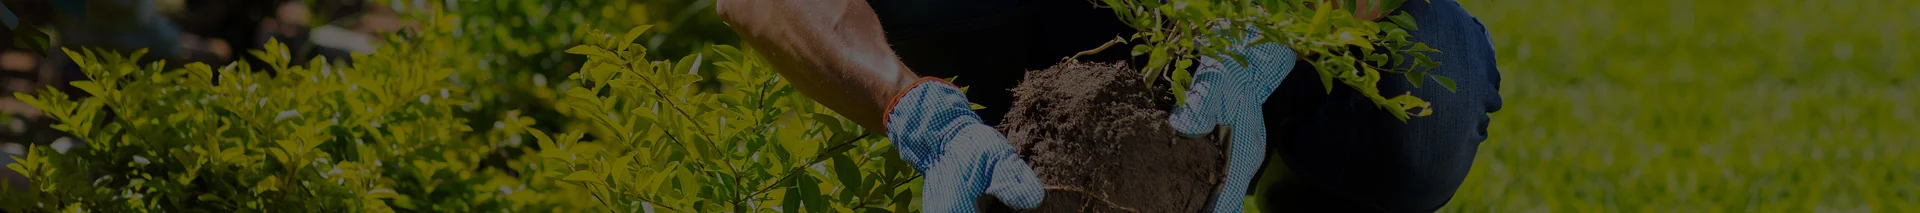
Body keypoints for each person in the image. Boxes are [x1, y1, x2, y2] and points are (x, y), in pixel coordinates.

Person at [738, 0, 1498, 211]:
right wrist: (906, 104)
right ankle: (1017, 148)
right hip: (1009, 23)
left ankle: (1275, 173)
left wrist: (1281, 30)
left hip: (1227, 21)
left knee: (1431, 92)